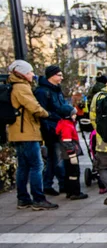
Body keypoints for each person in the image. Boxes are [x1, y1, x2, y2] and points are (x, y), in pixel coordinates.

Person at [7, 60, 57, 211]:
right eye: (29, 72)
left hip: (19, 132)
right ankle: (38, 199)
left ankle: (23, 199)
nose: (33, 75)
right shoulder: (21, 87)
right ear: (21, 73)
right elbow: (33, 107)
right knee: (37, 165)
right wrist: (47, 113)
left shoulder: (16, 86)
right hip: (27, 132)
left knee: (23, 166)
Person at [34, 65, 68, 196]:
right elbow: (42, 112)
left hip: (59, 126)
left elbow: (61, 106)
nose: (61, 77)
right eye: (59, 75)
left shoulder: (56, 90)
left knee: (54, 157)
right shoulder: (42, 92)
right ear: (51, 76)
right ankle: (61, 184)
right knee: (57, 156)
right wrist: (55, 118)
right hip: (51, 128)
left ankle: (48, 184)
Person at [55, 105, 88, 200]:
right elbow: (67, 141)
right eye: (73, 114)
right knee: (74, 172)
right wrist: (72, 153)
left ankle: (69, 191)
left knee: (68, 172)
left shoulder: (63, 123)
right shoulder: (67, 126)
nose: (75, 115)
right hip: (70, 154)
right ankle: (75, 192)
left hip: (66, 155)